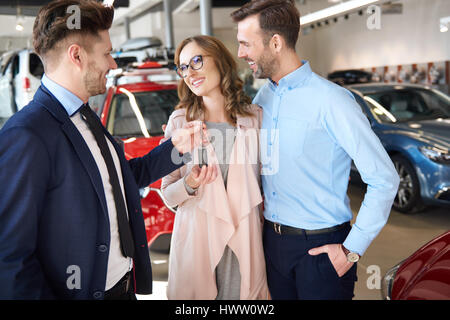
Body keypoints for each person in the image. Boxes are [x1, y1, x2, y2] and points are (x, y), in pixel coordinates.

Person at [0, 0, 201, 300]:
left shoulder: (85, 115)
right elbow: (11, 258)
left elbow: (121, 179)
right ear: (76, 55)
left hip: (121, 288)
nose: (113, 64)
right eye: (107, 53)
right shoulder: (26, 135)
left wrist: (177, 148)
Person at [231, 0, 400, 300]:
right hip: (271, 244)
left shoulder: (333, 101)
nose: (241, 53)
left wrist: (351, 250)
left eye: (246, 44)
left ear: (275, 42)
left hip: (322, 250)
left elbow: (385, 178)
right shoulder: (262, 97)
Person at [161, 35, 269, 300]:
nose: (190, 73)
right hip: (198, 247)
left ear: (220, 61)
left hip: (244, 247)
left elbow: (271, 186)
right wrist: (190, 184)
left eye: (196, 61)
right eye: (183, 67)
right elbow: (167, 194)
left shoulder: (255, 118)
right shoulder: (179, 122)